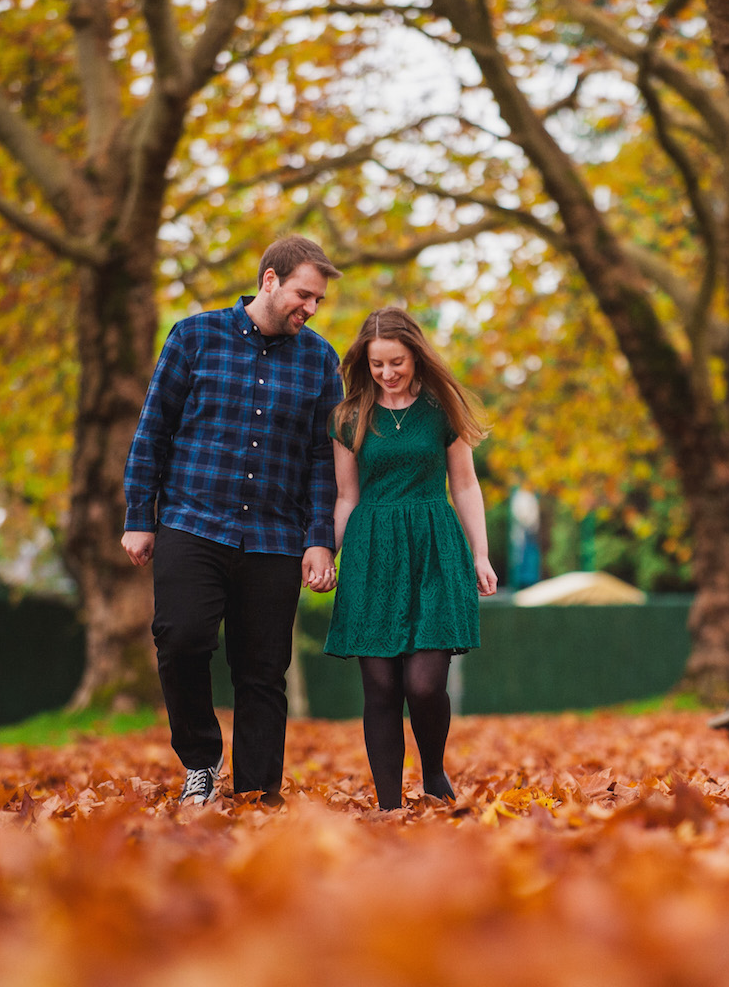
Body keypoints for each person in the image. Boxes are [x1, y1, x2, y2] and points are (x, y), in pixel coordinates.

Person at [122, 235, 345, 807]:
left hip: (274, 536)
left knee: (263, 671)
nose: (310, 309)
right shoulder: (194, 337)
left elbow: (325, 459)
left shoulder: (321, 360)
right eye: (303, 294)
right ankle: (201, 759)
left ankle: (256, 792)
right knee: (181, 639)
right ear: (269, 280)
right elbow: (154, 431)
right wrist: (138, 517)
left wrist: (321, 540)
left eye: (318, 300)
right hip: (192, 521)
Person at [324, 306, 497, 810]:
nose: (387, 373)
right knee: (380, 687)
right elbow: (345, 497)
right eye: (377, 365)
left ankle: (434, 770)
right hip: (371, 550)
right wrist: (326, 556)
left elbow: (464, 485)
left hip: (433, 546)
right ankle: (387, 805)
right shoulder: (348, 417)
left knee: (423, 685)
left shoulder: (443, 408)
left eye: (396, 362)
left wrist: (481, 554)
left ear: (416, 356)